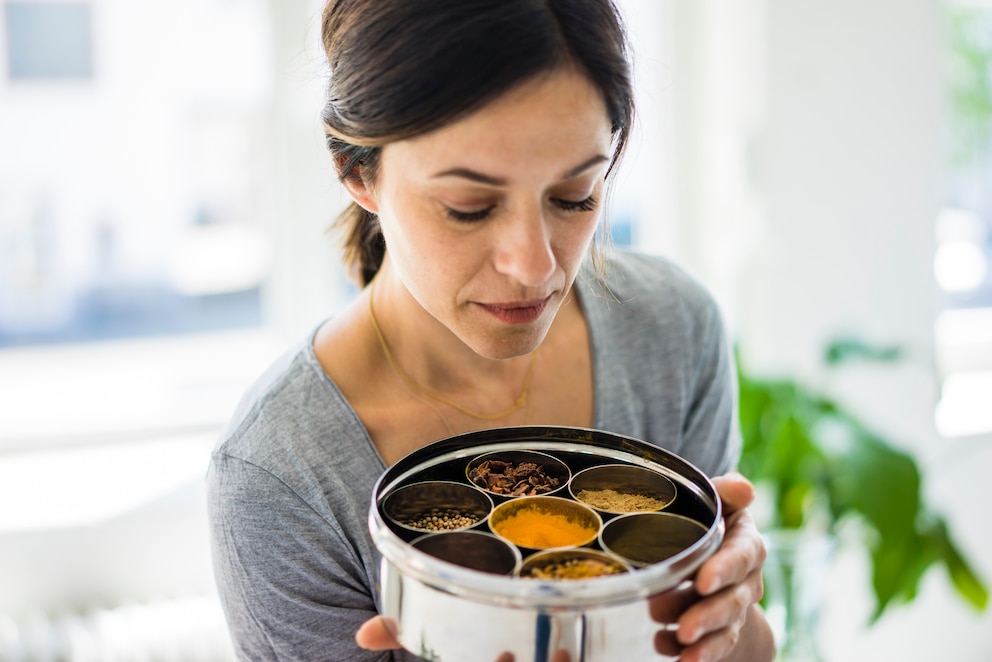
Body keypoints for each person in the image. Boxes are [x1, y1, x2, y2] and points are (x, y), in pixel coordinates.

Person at [207, 1, 774, 660]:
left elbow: (744, 647)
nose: (535, 266)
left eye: (576, 195)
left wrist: (727, 618)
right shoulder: (282, 474)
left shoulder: (671, 334)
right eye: (468, 208)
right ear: (357, 171)